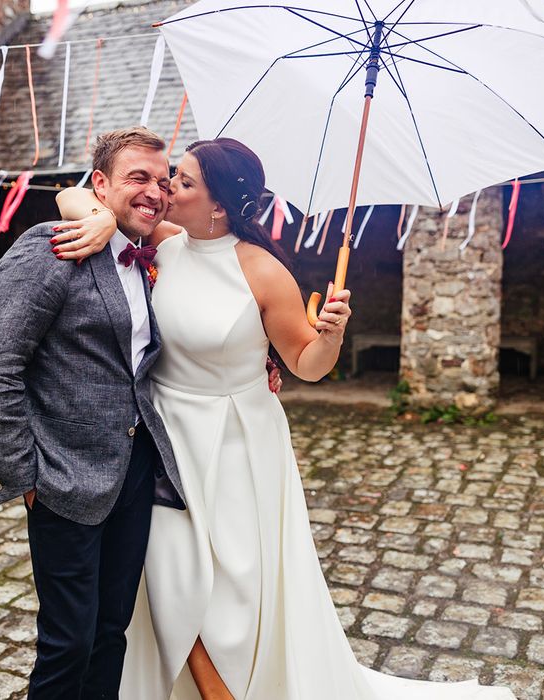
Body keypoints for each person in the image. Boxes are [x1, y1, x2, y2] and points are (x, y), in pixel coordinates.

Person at [53, 137, 516, 699]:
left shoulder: (264, 272)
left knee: (233, 589)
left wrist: (333, 333)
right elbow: (67, 199)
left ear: (220, 205)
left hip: (237, 443)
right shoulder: (166, 244)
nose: (167, 188)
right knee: (170, 574)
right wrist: (102, 222)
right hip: (165, 437)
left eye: (184, 181)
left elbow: (307, 364)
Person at [0, 127, 187, 700]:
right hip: (62, 477)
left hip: (134, 473)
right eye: (138, 178)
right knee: (67, 643)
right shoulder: (52, 244)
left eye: (163, 183)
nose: (154, 193)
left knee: (112, 632)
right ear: (100, 185)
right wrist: (24, 477)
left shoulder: (145, 260)